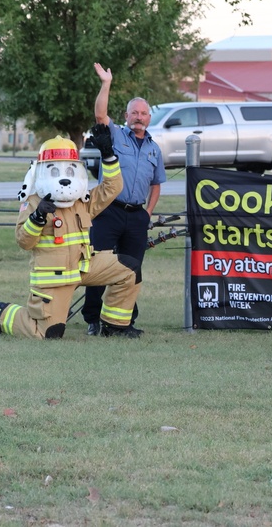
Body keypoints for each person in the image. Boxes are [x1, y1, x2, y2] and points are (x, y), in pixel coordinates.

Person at [0, 129, 142, 339]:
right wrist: (38, 217)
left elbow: (112, 188)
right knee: (47, 334)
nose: (65, 179)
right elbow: (23, 241)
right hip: (54, 277)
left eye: (69, 170)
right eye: (55, 171)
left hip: (84, 266)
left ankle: (114, 326)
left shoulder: (81, 201)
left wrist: (109, 156)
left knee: (129, 269)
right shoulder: (33, 202)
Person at [81, 62, 166, 337]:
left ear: (149, 118)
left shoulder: (154, 148)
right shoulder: (117, 135)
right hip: (108, 211)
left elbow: (156, 184)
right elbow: (99, 114)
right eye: (134, 113)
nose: (138, 117)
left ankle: (122, 322)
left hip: (137, 215)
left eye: (143, 113)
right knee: (98, 266)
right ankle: (93, 320)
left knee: (132, 268)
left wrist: (148, 213)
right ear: (126, 115)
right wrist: (106, 83)